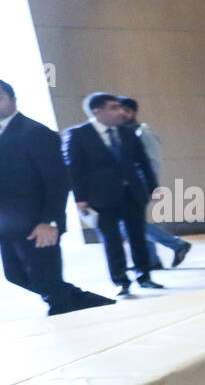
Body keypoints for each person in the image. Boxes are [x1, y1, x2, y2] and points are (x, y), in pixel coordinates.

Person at [0, 79, 115, 315]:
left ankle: (68, 321)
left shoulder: (36, 133)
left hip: (38, 224)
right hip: (7, 225)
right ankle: (89, 302)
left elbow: (58, 182)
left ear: (13, 100)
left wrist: (49, 222)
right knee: (16, 276)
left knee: (47, 281)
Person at [63, 92, 162, 296]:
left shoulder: (126, 133)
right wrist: (80, 198)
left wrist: (153, 188)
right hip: (101, 198)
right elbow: (74, 169)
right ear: (97, 111)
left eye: (120, 107)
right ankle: (121, 281)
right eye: (114, 107)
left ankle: (145, 276)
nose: (120, 111)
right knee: (112, 240)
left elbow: (143, 163)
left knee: (138, 237)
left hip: (132, 194)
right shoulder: (78, 134)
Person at [118, 97, 192, 268]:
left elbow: (152, 162)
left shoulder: (143, 132)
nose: (120, 113)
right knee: (134, 222)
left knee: (131, 222)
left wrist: (149, 186)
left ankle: (176, 245)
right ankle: (151, 260)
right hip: (130, 185)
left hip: (140, 185)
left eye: (124, 110)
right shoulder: (123, 133)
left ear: (133, 112)